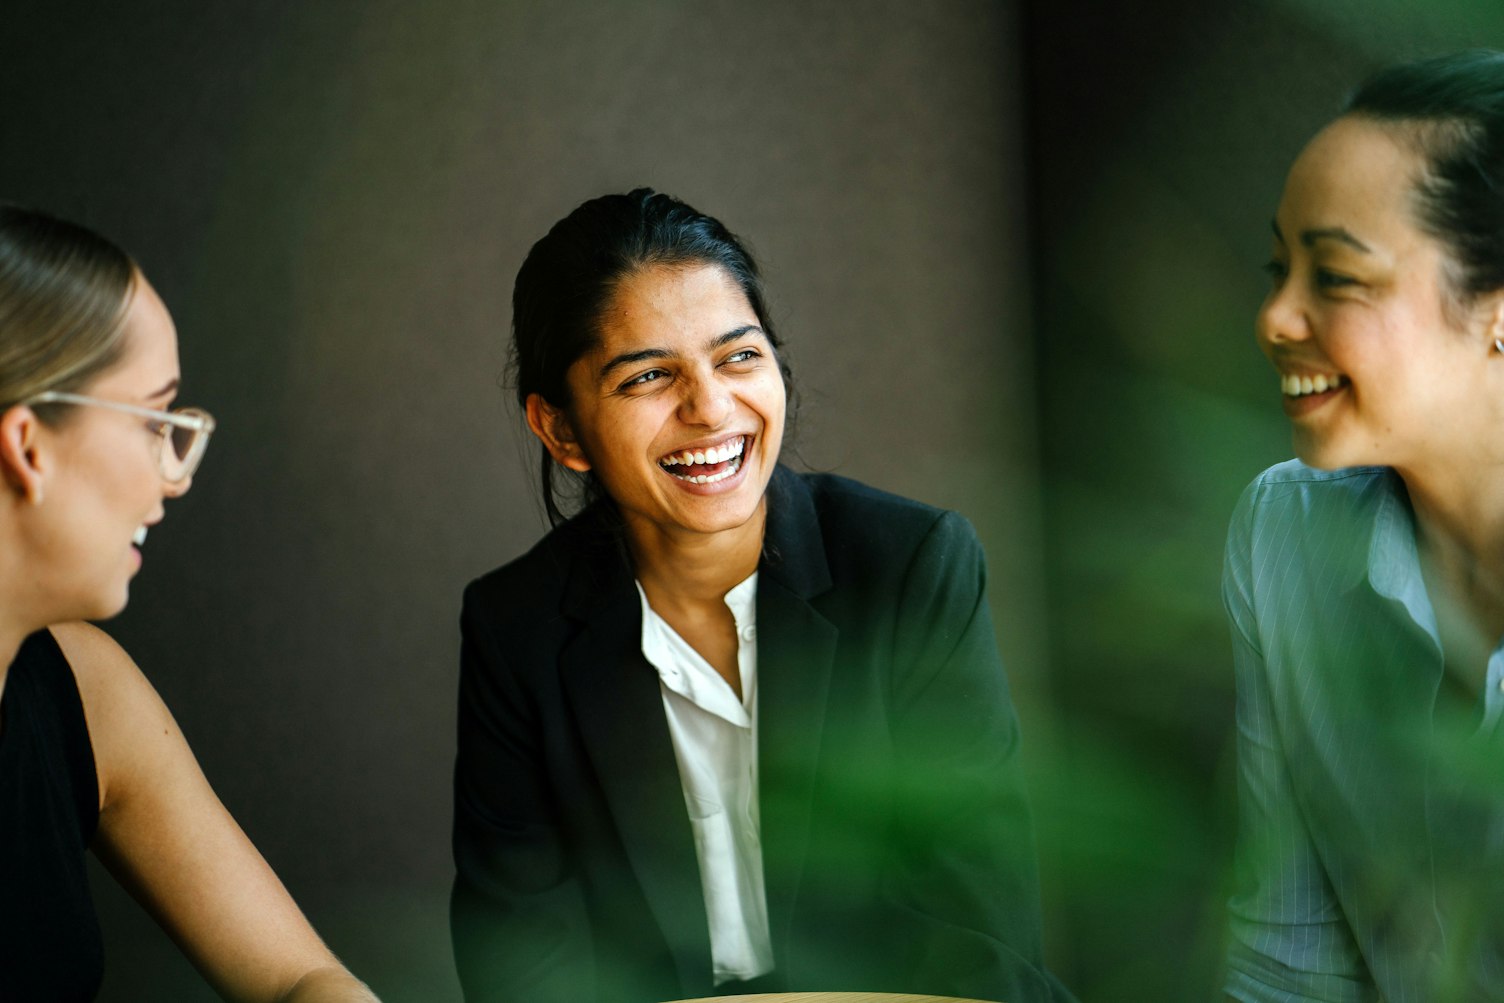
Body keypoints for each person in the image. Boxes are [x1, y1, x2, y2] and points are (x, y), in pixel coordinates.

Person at [451, 189, 1064, 1002]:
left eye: (739, 357)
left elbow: (980, 925)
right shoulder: (516, 626)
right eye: (649, 376)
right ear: (562, 430)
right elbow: (523, 961)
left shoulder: (911, 566)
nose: (710, 408)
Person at [0, 205, 376, 1002]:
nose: (176, 475)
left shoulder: (84, 686)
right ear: (28, 446)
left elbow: (297, 976)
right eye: (154, 421)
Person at [1224, 50, 1504, 1002]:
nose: (1274, 317)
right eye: (1278, 267)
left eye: (1337, 276)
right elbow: (1286, 956)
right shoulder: (1286, 530)